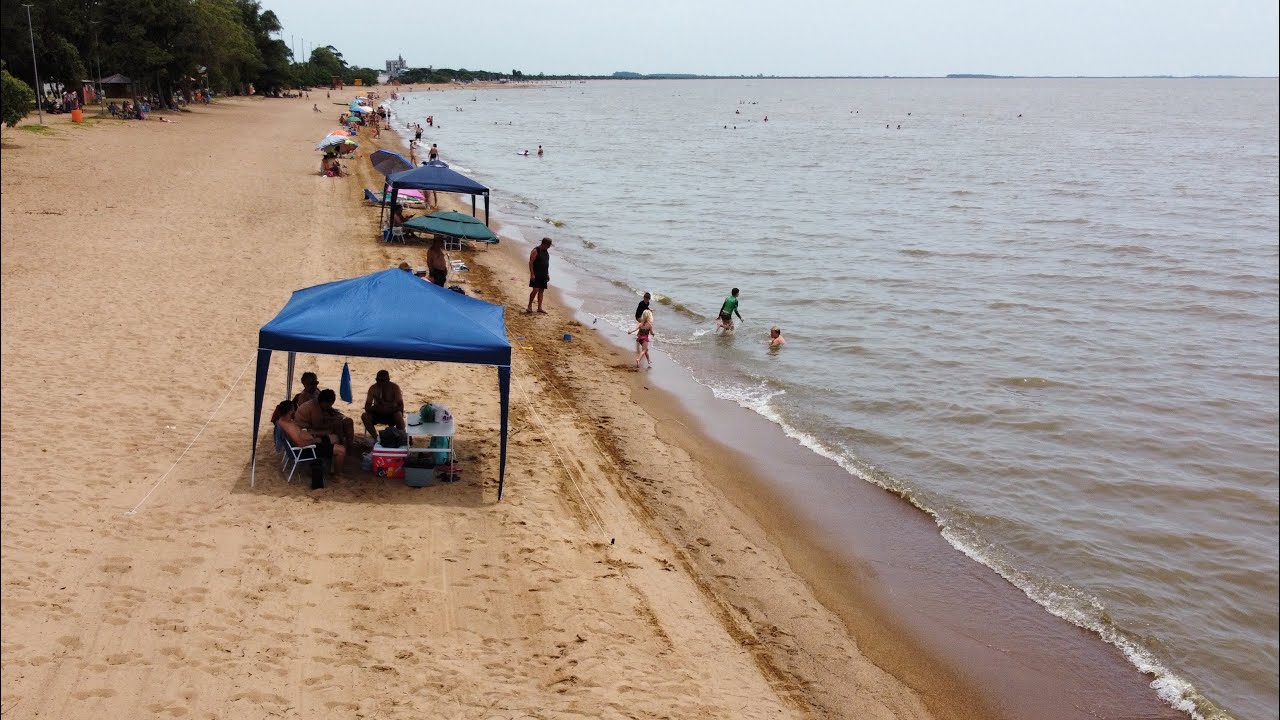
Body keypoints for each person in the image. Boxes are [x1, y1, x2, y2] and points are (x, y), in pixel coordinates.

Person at [276, 400, 346, 484]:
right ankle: (337, 476)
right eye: (293, 409)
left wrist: (311, 435)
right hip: (306, 450)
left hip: (308, 443)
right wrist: (315, 440)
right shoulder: (288, 426)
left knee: (334, 438)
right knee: (341, 450)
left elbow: (298, 434)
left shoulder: (283, 421)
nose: (294, 411)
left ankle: (332, 469)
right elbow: (300, 444)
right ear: (290, 410)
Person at [361, 370, 406, 439]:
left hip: (391, 414)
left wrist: (389, 409)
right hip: (378, 414)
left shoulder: (394, 388)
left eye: (382, 380)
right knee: (365, 416)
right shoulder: (373, 388)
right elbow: (367, 407)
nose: (379, 382)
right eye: (377, 380)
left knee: (398, 415)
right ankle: (376, 438)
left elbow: (401, 406)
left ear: (388, 380)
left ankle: (402, 437)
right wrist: (376, 408)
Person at [526, 237, 552, 314]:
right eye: (548, 245)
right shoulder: (535, 250)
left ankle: (539, 308)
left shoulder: (546, 252)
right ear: (544, 244)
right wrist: (532, 274)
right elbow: (530, 263)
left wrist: (547, 274)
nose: (549, 247)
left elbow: (546, 264)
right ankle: (529, 305)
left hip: (543, 274)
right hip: (536, 273)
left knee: (541, 291)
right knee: (535, 290)